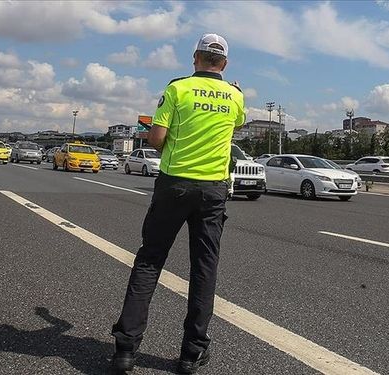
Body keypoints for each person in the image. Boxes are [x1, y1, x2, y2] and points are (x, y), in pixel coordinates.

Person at [111, 33, 245, 374]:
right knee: (204, 268)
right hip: (213, 189)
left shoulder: (177, 89)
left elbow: (156, 138)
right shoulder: (234, 97)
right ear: (224, 64)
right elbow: (237, 125)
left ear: (195, 58)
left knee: (150, 260)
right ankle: (192, 353)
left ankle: (126, 349)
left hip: (174, 185)